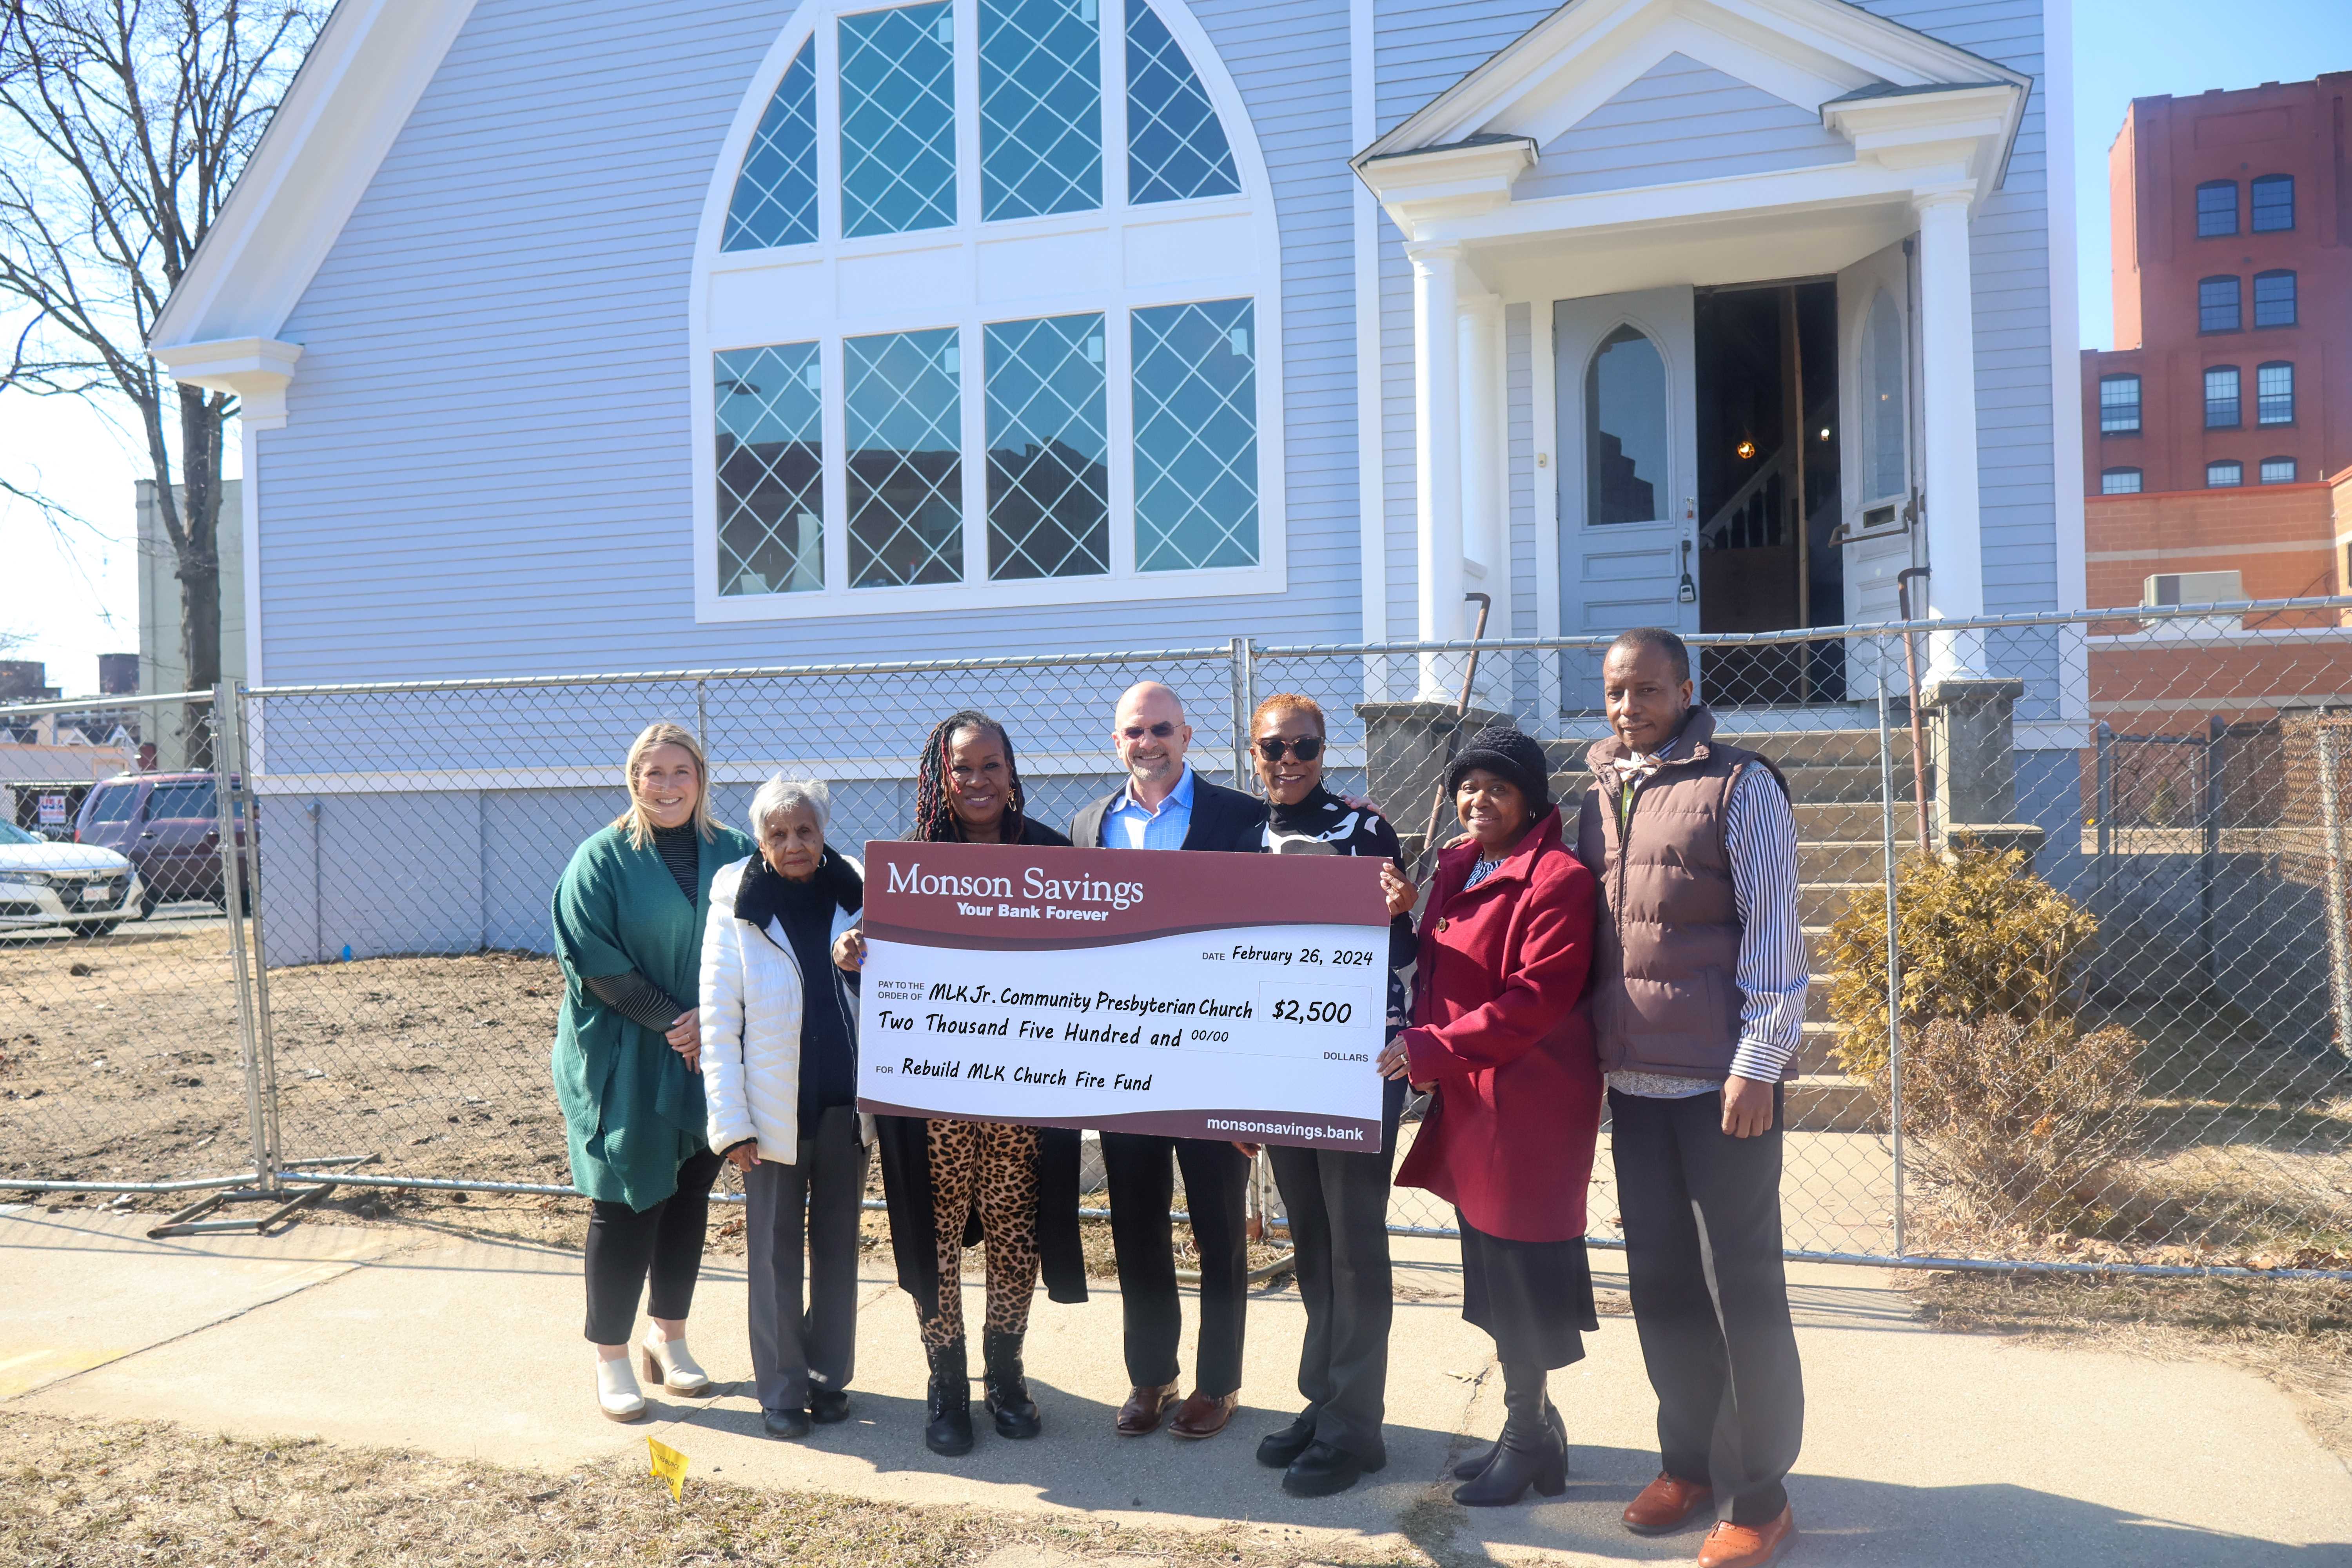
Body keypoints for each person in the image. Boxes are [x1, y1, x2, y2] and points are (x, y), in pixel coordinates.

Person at [1578, 628, 1806, 1568]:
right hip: (1633, 1084)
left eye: (1647, 690)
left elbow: (1776, 926)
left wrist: (1761, 1058)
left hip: (1722, 1087)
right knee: (1664, 1286)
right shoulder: (1592, 786)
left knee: (1741, 1288)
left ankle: (1761, 1490)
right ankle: (1689, 1463)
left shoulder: (1741, 785)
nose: (1629, 707)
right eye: (1615, 692)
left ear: (1685, 688)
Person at [833, 711, 1089, 1457]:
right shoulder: (914, 861)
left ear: (1013, 772)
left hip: (1025, 1091)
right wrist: (856, 952)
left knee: (1016, 1230)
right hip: (935, 1092)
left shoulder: (1053, 853)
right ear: (941, 777)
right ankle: (945, 1385)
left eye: (990, 766)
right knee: (934, 1235)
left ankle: (1004, 1375)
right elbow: (880, 964)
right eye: (962, 768)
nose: (977, 781)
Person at [1380, 724, 1602, 1508]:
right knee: (1492, 1277)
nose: (1479, 798)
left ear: (1532, 798)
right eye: (1468, 784)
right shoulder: (1456, 864)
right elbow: (1438, 965)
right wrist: (1407, 914)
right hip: (1472, 1096)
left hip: (1530, 1105)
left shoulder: (1558, 878)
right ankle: (1532, 1429)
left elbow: (1533, 1003)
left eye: (1499, 787)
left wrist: (1427, 1047)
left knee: (1521, 1281)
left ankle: (1528, 1437)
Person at [1068, 680, 1268, 1440]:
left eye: (1160, 728)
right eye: (1132, 731)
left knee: (1220, 1223)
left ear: (1188, 736)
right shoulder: (1091, 824)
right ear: (1115, 741)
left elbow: (1267, 945)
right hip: (1125, 1063)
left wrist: (1257, 1082)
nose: (1146, 741)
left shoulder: (1240, 819)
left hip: (1215, 1055)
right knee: (1136, 1224)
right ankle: (1150, 1374)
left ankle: (1219, 1383)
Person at [550, 721, 755, 1423]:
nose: (666, 786)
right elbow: (592, 957)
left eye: (680, 773)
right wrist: (677, 1019)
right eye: (652, 772)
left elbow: (762, 939)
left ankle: (668, 1339)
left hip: (711, 1049)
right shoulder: (601, 859)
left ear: (701, 778)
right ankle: (610, 1355)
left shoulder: (733, 851)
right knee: (628, 1198)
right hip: (628, 1051)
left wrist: (714, 1020)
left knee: (691, 1190)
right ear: (631, 779)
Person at [1243, 693, 1419, 1497]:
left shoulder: (1365, 828)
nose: (1289, 760)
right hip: (1279, 1063)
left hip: (1353, 1066)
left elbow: (1403, 947)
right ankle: (1326, 1402)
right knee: (1311, 1242)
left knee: (1355, 1244)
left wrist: (1400, 913)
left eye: (1304, 746)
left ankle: (1359, 1428)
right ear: (1253, 752)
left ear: (1325, 751)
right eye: (1273, 746)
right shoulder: (1243, 839)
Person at [701, 776, 867, 1441]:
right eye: (778, 833)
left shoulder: (858, 891)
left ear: (824, 832)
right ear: (761, 839)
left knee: (838, 1249)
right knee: (773, 1254)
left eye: (806, 830)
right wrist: (730, 1124)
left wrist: (862, 964)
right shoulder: (736, 905)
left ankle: (828, 1380)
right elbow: (717, 1019)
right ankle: (780, 1388)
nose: (793, 844)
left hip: (844, 1107)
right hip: (770, 1114)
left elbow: (901, 986)